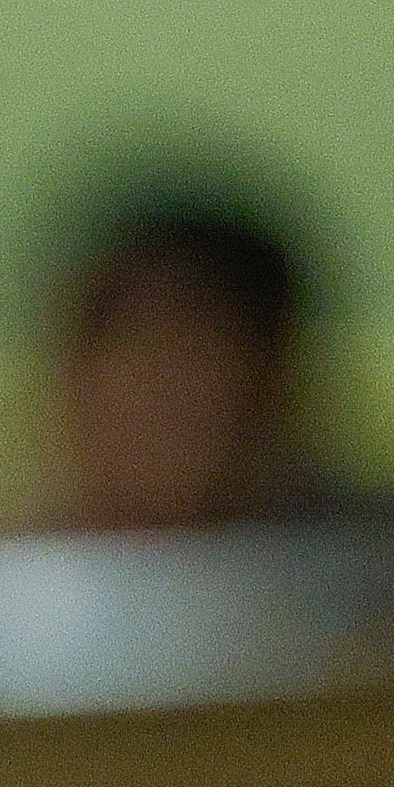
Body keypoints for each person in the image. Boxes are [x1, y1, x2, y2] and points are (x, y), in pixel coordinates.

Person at [23, 181, 331, 538]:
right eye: (144, 376)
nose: (163, 415)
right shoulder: (5, 574)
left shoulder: (363, 567)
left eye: (190, 385)